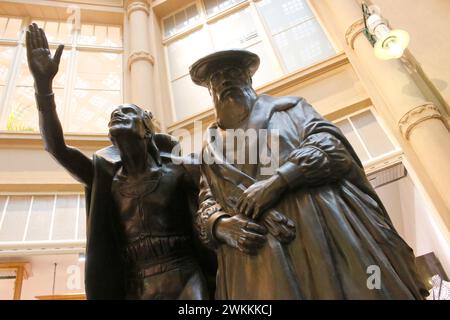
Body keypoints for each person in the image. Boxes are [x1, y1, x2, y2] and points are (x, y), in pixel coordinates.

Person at [190, 49, 428, 299]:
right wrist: (221, 225)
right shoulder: (211, 149)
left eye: (233, 73)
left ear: (248, 80)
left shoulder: (291, 110)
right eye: (216, 79)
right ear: (210, 92)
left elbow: (332, 146)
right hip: (256, 260)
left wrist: (278, 181)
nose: (225, 81)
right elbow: (206, 202)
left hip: (322, 232)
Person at [26, 23, 214, 300]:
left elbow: (220, 192)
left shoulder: (180, 170)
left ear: (147, 129)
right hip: (136, 284)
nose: (117, 115)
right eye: (114, 115)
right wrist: (43, 87)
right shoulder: (104, 177)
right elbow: (56, 148)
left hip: (185, 276)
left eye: (127, 113)